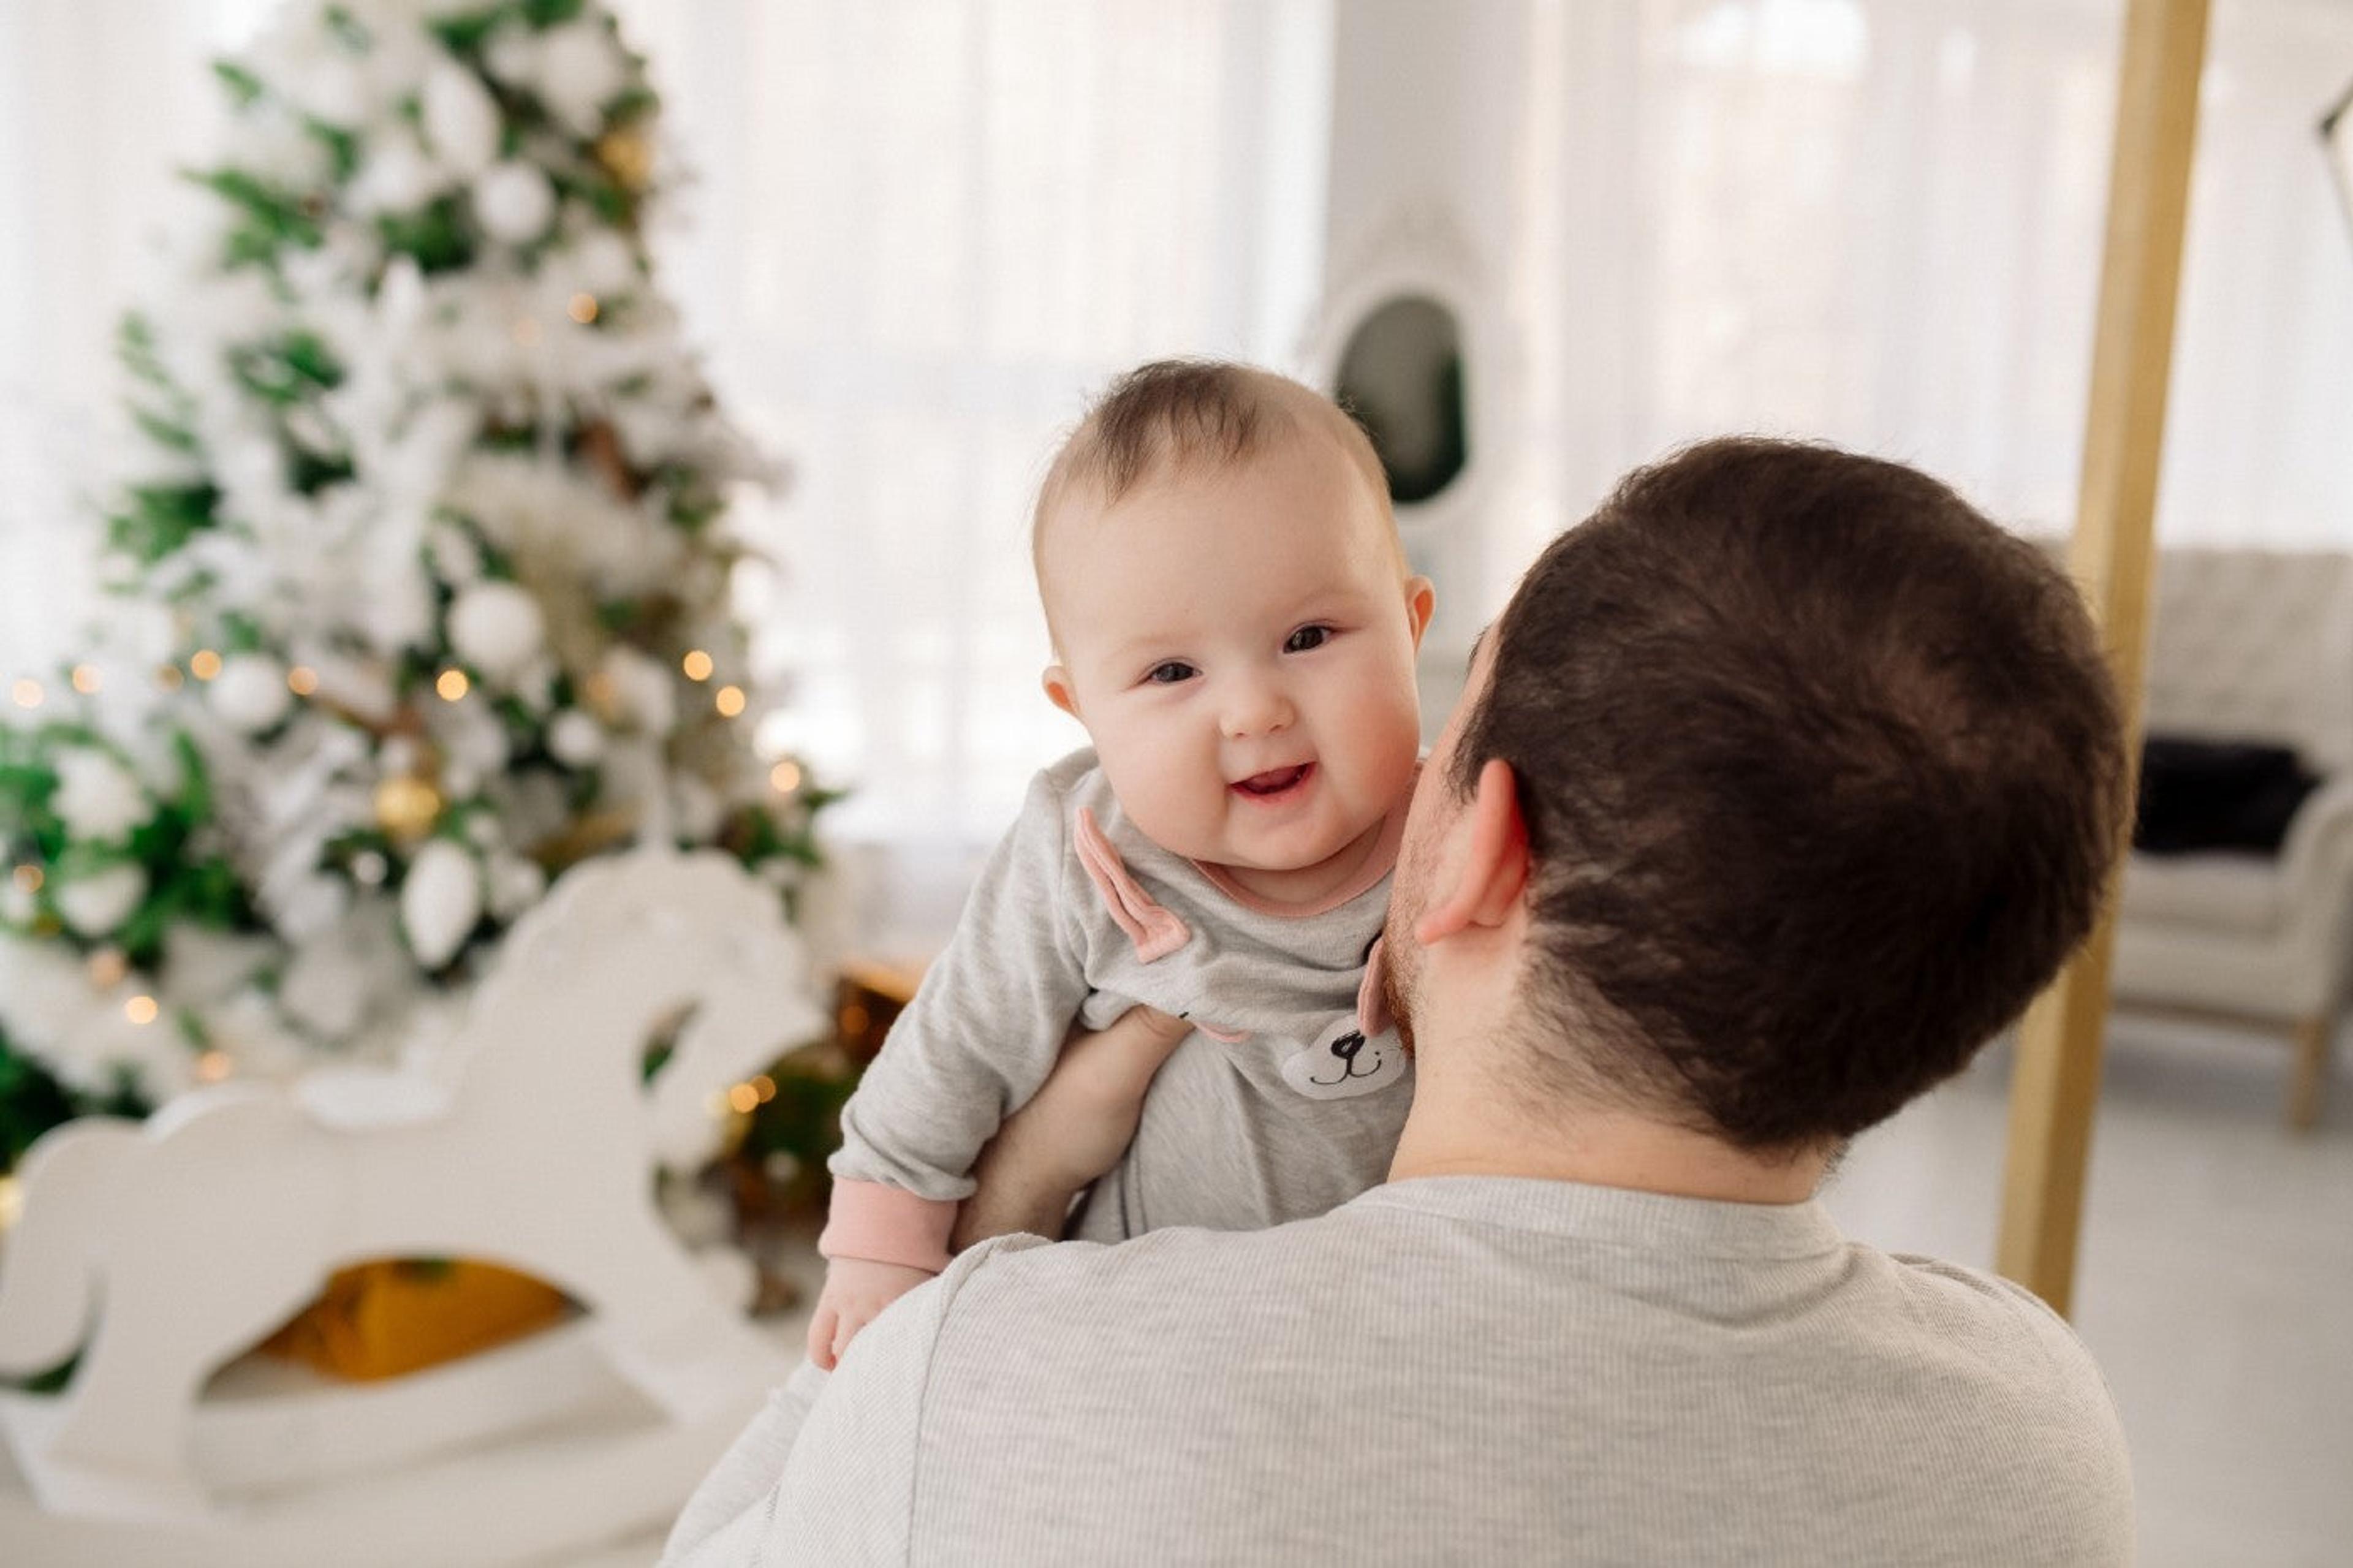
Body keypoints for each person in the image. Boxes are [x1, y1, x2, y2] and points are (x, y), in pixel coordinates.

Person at [668, 436, 2135, 1564]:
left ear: (1488, 846)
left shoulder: (1003, 1382)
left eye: (1450, 714)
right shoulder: (2039, 1439)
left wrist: (999, 1211)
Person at [808, 360, 1436, 1368]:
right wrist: (881, 1258)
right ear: (1084, 712)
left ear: (1411, 632)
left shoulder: (1459, 823)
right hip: (1121, 1319)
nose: (1253, 711)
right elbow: (954, 1050)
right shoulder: (1089, 850)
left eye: (1308, 636)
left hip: (1394, 1327)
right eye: (1172, 672)